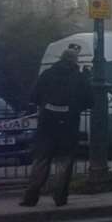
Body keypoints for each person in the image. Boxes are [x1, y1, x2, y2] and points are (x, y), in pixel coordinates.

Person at [22, 42, 92, 208]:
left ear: (61, 59)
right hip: (69, 125)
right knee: (64, 162)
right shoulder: (79, 78)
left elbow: (34, 96)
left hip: (47, 123)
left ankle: (31, 197)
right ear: (75, 61)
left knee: (41, 160)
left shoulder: (48, 74)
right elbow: (90, 101)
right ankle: (60, 197)